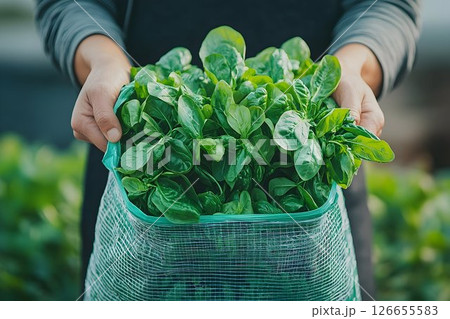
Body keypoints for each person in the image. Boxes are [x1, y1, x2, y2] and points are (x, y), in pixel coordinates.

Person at [35, 0, 422, 300]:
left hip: (316, 205)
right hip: (135, 186)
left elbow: (388, 6)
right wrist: (103, 61)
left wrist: (349, 70)